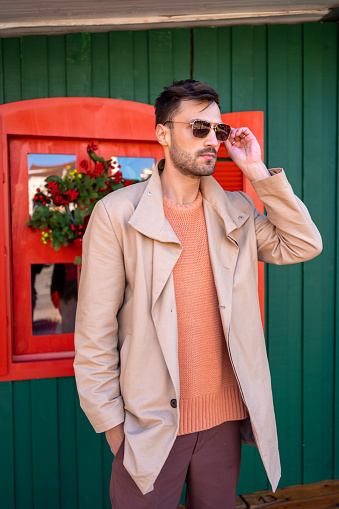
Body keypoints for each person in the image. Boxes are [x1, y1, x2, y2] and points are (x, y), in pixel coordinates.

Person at [74, 79, 322, 509]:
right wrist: (115, 429)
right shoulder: (118, 213)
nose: (212, 140)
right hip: (150, 428)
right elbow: (94, 333)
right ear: (163, 133)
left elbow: (303, 243)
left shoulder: (237, 211)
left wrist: (257, 173)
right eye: (199, 128)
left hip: (223, 424)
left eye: (218, 130)